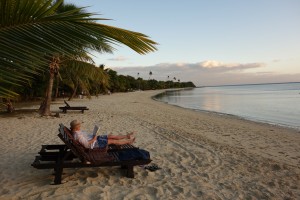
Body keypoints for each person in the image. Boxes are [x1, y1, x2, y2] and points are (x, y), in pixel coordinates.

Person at [70, 120, 135, 149]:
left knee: (110, 136)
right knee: (113, 141)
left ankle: (127, 136)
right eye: (79, 126)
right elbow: (86, 145)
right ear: (76, 127)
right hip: (95, 143)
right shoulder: (78, 136)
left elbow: (86, 137)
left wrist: (94, 135)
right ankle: (129, 141)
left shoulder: (76, 131)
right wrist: (94, 138)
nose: (80, 127)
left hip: (94, 139)